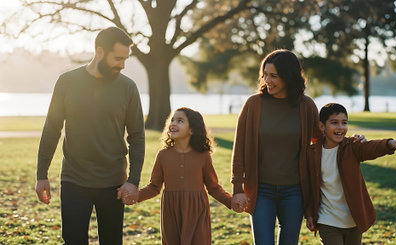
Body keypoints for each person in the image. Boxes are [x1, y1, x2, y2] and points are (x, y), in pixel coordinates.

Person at [35, 26, 145, 244]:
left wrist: (133, 181)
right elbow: (51, 129)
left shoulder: (128, 88)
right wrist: (41, 174)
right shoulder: (67, 82)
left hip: (114, 184)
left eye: (126, 59)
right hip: (74, 180)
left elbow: (137, 136)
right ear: (100, 51)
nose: (122, 65)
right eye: (118, 58)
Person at [229, 49, 323, 244]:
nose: (267, 80)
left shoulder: (306, 106)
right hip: (261, 190)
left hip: (294, 191)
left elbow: (321, 140)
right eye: (264, 75)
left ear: (289, 77)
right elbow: (239, 149)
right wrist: (238, 187)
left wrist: (352, 141)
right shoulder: (254, 104)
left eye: (273, 76)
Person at [304, 103, 396, 245]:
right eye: (334, 123)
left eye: (344, 122)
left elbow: (371, 148)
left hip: (353, 219)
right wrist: (309, 214)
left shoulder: (352, 146)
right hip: (327, 220)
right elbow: (309, 187)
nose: (340, 127)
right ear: (322, 126)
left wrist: (389, 144)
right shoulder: (312, 153)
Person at [129, 107, 232, 244]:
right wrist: (136, 196)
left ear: (192, 130)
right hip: (171, 212)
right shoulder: (163, 155)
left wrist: (231, 202)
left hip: (197, 212)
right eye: (172, 120)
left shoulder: (203, 156)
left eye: (180, 121)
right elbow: (154, 187)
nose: (173, 124)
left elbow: (213, 187)